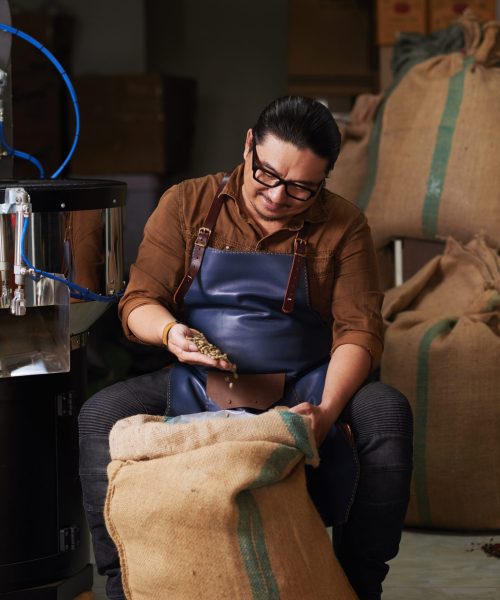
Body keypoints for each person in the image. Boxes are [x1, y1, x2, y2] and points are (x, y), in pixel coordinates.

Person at [79, 95, 413, 600]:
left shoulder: (345, 225)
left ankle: (358, 587)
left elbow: (358, 331)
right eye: (268, 175)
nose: (278, 196)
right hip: (197, 380)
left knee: (386, 412)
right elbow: (139, 300)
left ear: (324, 180)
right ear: (249, 145)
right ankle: (122, 587)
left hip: (305, 386)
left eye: (302, 188)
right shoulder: (187, 202)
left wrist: (323, 412)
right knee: (101, 414)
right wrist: (173, 334)